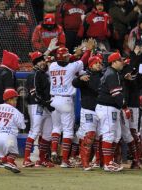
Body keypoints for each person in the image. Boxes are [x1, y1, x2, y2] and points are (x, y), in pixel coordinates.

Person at [49, 40, 93, 168]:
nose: (69, 57)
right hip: (65, 100)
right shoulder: (71, 67)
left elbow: (65, 59)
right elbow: (83, 61)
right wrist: (88, 50)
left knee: (56, 128)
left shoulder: (52, 66)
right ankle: (64, 161)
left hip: (53, 99)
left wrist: (73, 54)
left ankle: (53, 151)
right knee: (68, 131)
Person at [95, 52, 128, 172]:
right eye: (120, 60)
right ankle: (107, 163)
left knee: (116, 135)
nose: (122, 62)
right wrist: (124, 107)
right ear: (113, 62)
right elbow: (116, 94)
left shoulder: (113, 73)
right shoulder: (111, 74)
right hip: (107, 107)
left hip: (109, 107)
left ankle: (108, 161)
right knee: (109, 134)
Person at [23, 50, 55, 168]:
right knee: (35, 131)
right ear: (35, 63)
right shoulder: (34, 74)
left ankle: (42, 159)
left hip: (46, 106)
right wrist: (46, 104)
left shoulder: (43, 74)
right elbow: (34, 94)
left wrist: (47, 104)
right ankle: (26, 159)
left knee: (47, 134)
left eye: (43, 60)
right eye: (40, 60)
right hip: (36, 105)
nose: (43, 62)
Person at [0, 88, 26, 174]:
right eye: (14, 99)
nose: (16, 101)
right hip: (9, 136)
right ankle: (10, 162)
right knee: (13, 152)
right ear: (9, 99)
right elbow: (22, 126)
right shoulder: (15, 111)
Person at [72, 55, 103, 171]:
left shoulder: (104, 75)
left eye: (100, 63)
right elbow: (74, 83)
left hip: (101, 109)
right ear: (90, 65)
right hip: (88, 110)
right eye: (96, 63)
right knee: (89, 136)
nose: (98, 65)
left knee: (100, 136)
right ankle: (85, 162)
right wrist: (80, 79)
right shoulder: (86, 76)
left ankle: (98, 161)